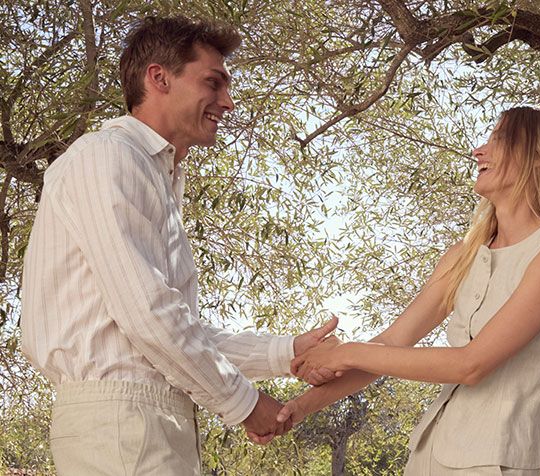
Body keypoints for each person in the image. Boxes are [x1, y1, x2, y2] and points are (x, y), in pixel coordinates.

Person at [20, 15, 337, 475]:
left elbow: (167, 326)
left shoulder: (150, 172)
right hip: (123, 425)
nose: (228, 102)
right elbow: (148, 315)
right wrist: (245, 404)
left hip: (142, 422)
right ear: (159, 78)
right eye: (213, 82)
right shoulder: (108, 156)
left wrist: (287, 351)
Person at [278, 106, 540, 475]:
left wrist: (345, 353)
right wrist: (298, 408)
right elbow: (391, 343)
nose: (479, 151)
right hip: (427, 457)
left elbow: (470, 365)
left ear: (539, 157)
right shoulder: (463, 256)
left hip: (495, 466)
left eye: (499, 140)